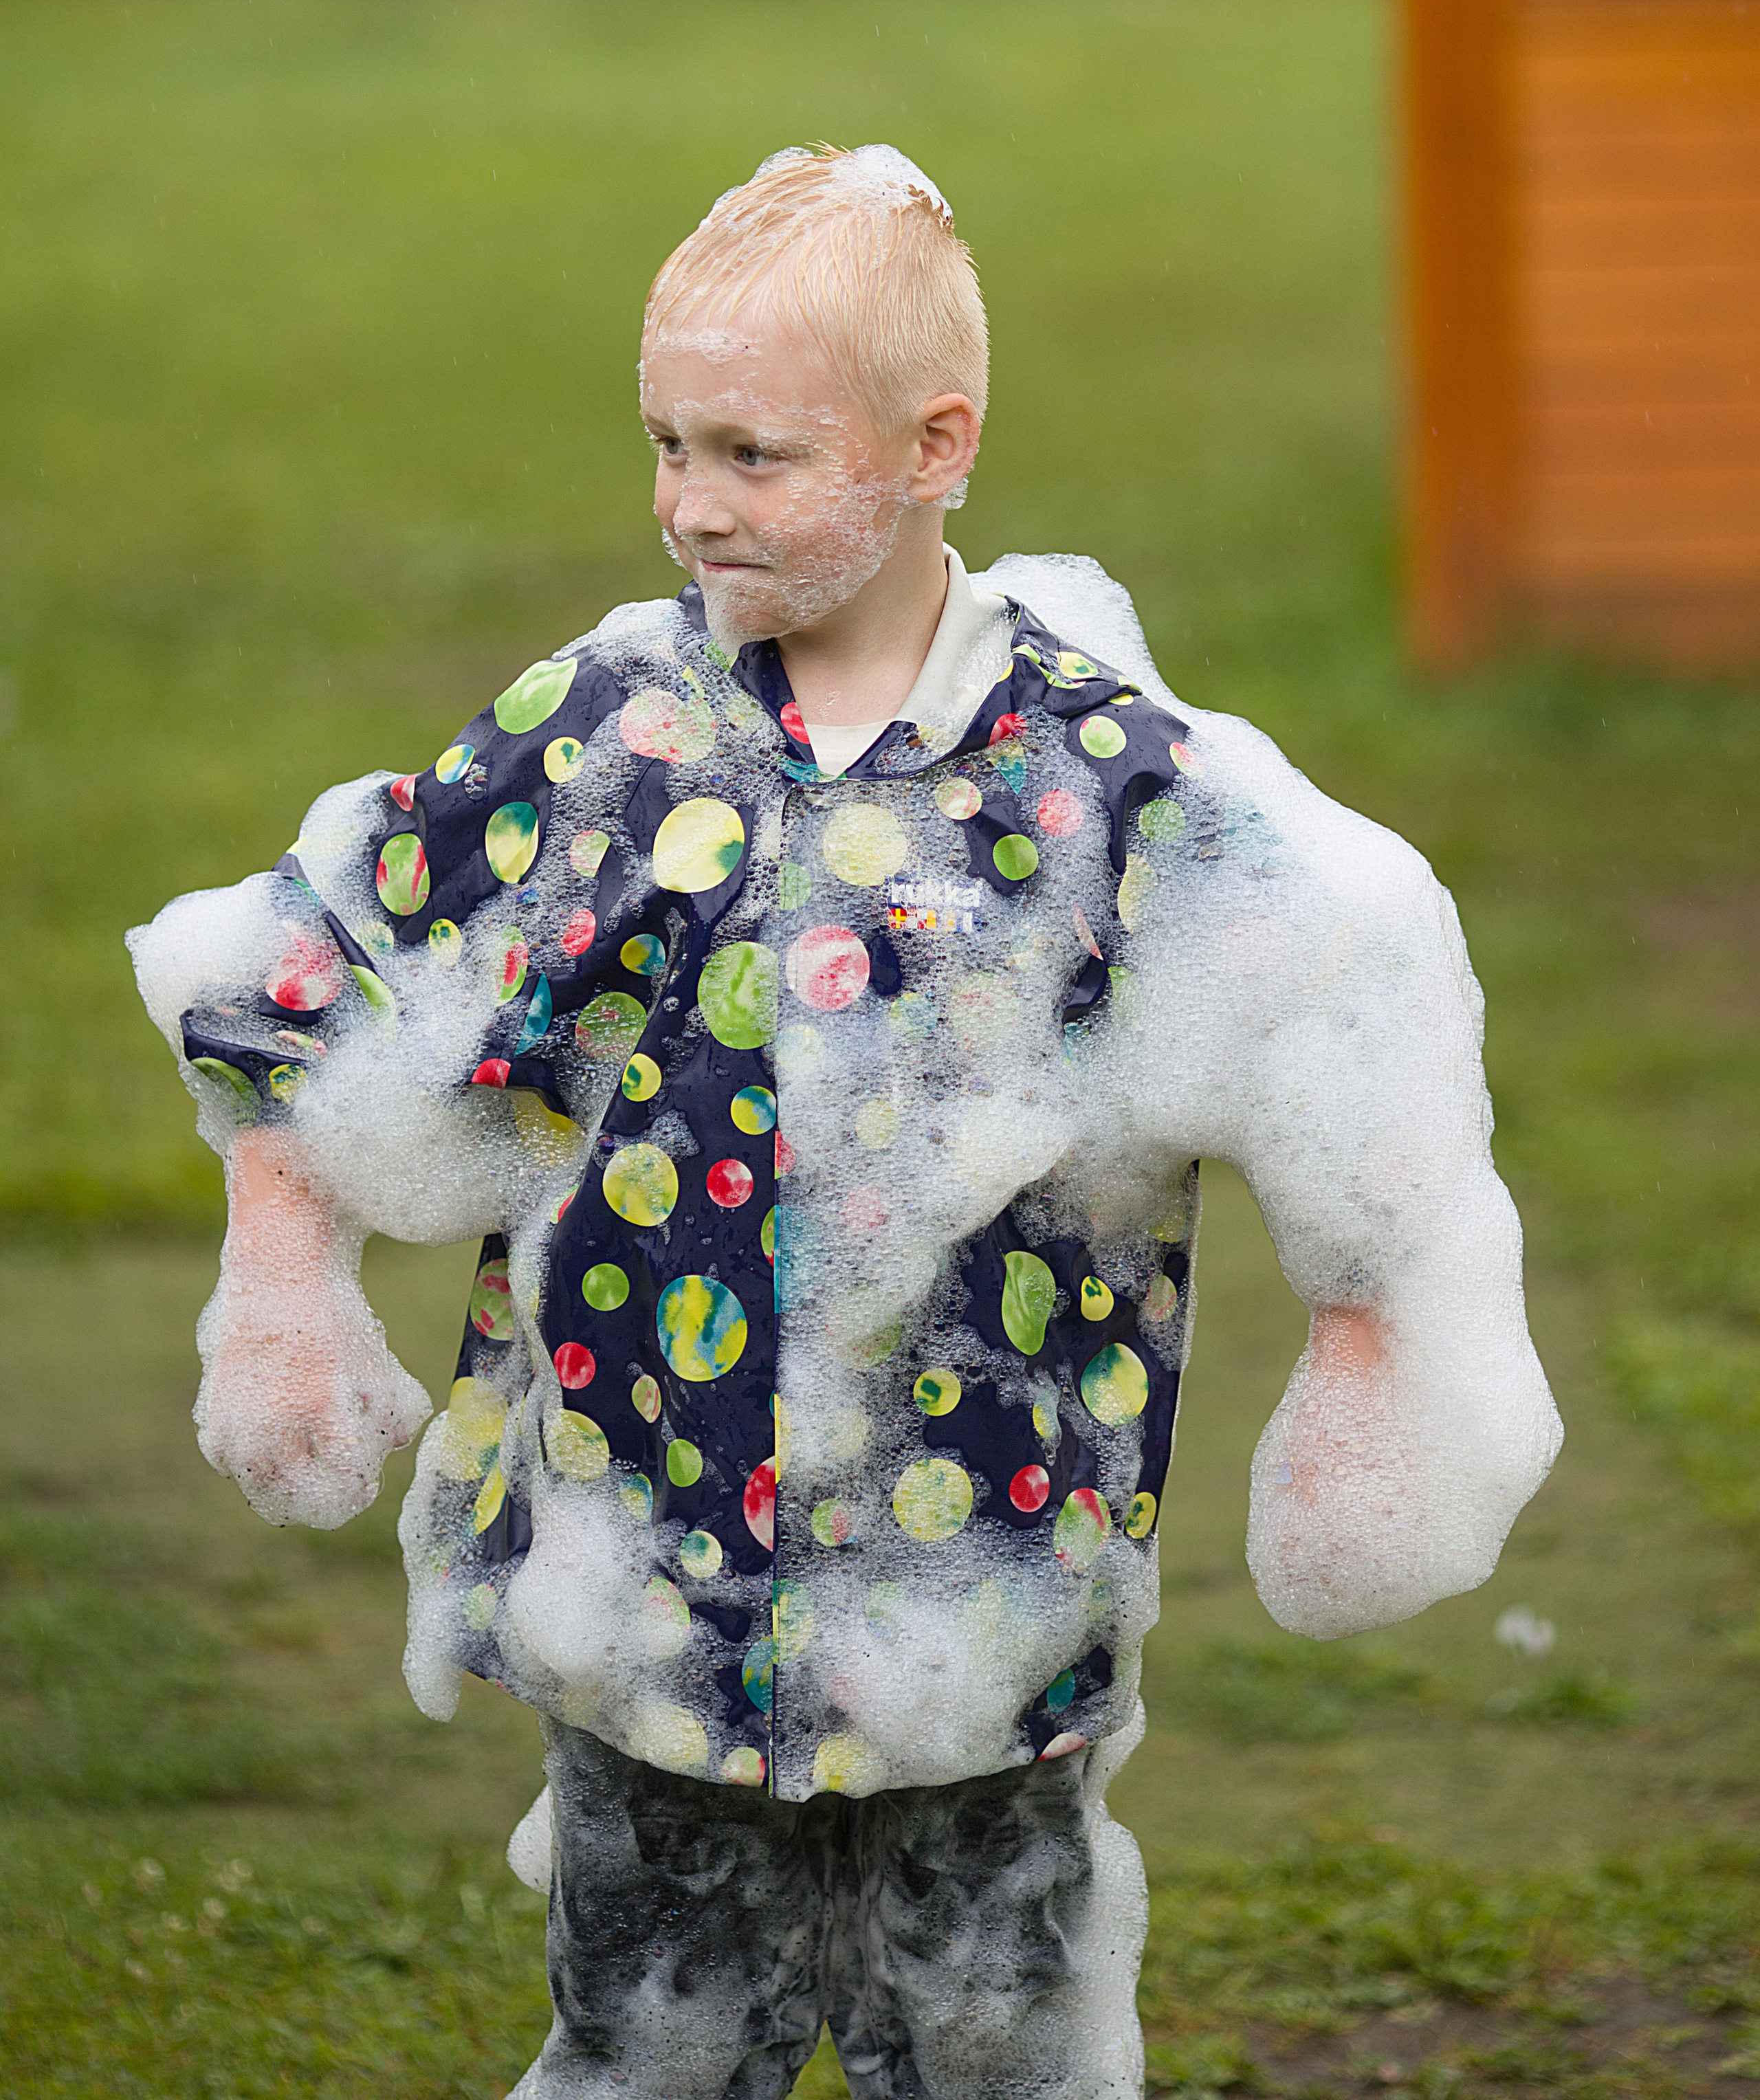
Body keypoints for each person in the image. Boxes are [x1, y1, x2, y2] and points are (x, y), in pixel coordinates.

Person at [131, 143, 1562, 2100]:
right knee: (645, 2049)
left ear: (934, 443)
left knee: (994, 2052)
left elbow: (1347, 1020)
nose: (688, 507)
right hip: (642, 1590)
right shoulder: (610, 735)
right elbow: (318, 972)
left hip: (992, 1609)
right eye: (665, 445)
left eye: (751, 454)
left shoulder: (1102, 780)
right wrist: (284, 1284)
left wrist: (1373, 1354)